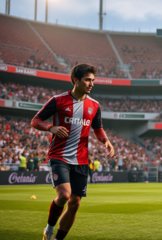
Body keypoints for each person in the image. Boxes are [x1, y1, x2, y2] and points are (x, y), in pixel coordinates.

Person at [31, 63, 115, 240]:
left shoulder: (94, 105)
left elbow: (98, 128)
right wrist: (50, 127)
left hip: (81, 160)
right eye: (87, 80)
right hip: (59, 157)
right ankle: (49, 228)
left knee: (75, 203)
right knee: (64, 195)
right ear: (75, 80)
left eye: (93, 80)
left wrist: (106, 141)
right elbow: (35, 120)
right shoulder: (58, 100)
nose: (91, 83)